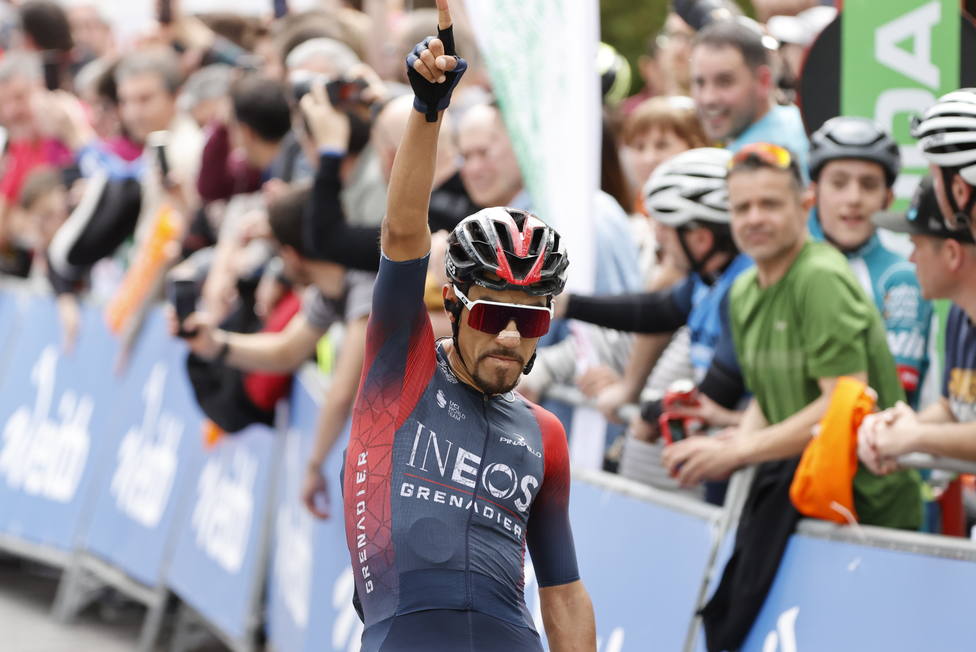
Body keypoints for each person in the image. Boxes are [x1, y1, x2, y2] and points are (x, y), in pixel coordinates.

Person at [342, 3, 595, 650]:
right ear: (453, 304)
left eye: (531, 319)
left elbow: (562, 593)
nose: (512, 336)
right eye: (492, 313)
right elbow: (402, 235)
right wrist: (429, 112)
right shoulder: (402, 369)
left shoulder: (546, 435)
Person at [662, 142, 922, 529]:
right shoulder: (744, 290)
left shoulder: (820, 277)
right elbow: (770, 398)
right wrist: (728, 447)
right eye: (742, 208)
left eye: (770, 204)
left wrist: (739, 453)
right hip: (806, 506)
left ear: (805, 205)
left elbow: (841, 404)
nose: (754, 219)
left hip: (869, 515)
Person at [171, 182, 374, 519]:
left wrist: (313, 467)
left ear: (291, 254)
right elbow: (287, 351)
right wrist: (216, 344)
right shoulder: (331, 288)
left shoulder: (366, 285)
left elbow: (341, 395)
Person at [807, 116, 931, 406]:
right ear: (813, 193)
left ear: (888, 198)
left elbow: (889, 398)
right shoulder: (783, 268)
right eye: (838, 183)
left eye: (869, 185)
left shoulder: (903, 277)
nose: (853, 198)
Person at [859, 177, 976, 471]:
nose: (910, 258)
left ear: (951, 253)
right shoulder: (960, 314)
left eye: (916, 245)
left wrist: (917, 436)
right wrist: (896, 429)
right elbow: (954, 408)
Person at [690, 19, 809, 171]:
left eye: (724, 82)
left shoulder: (766, 160)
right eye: (700, 83)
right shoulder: (798, 124)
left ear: (763, 81)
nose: (709, 98)